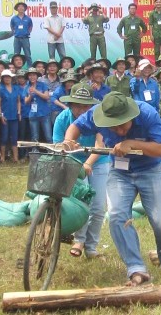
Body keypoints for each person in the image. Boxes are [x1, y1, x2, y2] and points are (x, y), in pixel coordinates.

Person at [64, 91, 161, 288]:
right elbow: (75, 126)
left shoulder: (147, 113)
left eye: (123, 124)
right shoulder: (97, 113)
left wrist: (133, 144)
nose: (119, 130)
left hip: (151, 170)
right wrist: (69, 140)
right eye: (113, 126)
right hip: (120, 172)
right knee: (117, 217)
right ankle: (136, 268)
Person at [52, 83, 108, 258]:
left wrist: (89, 163)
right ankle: (80, 239)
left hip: (99, 160)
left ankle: (91, 247)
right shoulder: (62, 119)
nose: (82, 110)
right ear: (70, 105)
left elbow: (101, 144)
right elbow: (59, 146)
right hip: (73, 161)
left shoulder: (99, 118)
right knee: (83, 201)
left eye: (86, 106)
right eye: (77, 106)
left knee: (98, 206)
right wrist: (74, 158)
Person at [0, 69, 21, 163]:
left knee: (14, 137)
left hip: (14, 116)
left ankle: (16, 157)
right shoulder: (1, 88)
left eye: (9, 77)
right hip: (5, 116)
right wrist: (1, 115)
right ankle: (2, 157)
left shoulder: (16, 88)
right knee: (4, 137)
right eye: (5, 77)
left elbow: (18, 101)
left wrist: (19, 112)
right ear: (2, 78)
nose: (7, 78)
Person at [25, 67, 52, 144]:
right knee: (34, 136)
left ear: (37, 76)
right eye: (30, 75)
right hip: (33, 115)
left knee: (48, 136)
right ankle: (35, 152)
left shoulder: (43, 85)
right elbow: (26, 101)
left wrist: (36, 91)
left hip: (44, 114)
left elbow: (46, 97)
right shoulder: (27, 87)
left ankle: (52, 152)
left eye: (34, 75)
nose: (32, 77)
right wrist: (30, 95)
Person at [10, 2, 33, 68]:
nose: (21, 8)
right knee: (16, 55)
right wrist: (15, 32)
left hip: (25, 38)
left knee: (28, 55)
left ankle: (30, 68)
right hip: (17, 39)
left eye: (22, 6)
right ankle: (16, 69)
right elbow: (12, 26)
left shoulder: (28, 18)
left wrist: (27, 32)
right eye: (19, 7)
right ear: (17, 9)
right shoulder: (14, 18)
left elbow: (30, 27)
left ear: (25, 8)